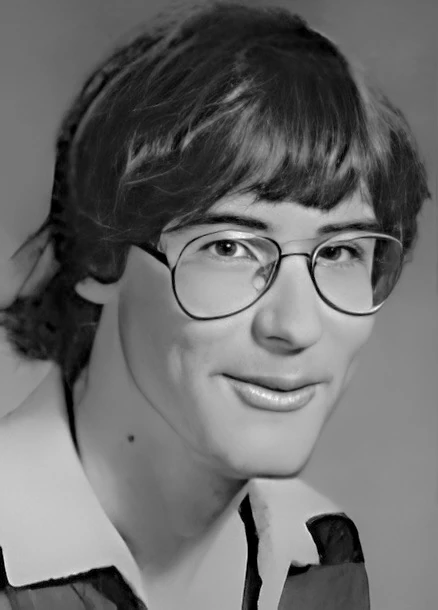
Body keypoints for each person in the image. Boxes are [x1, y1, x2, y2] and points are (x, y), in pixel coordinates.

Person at [0, 1, 430, 608]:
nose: (296, 326)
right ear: (99, 255)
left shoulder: (319, 558)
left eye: (340, 252)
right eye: (228, 247)